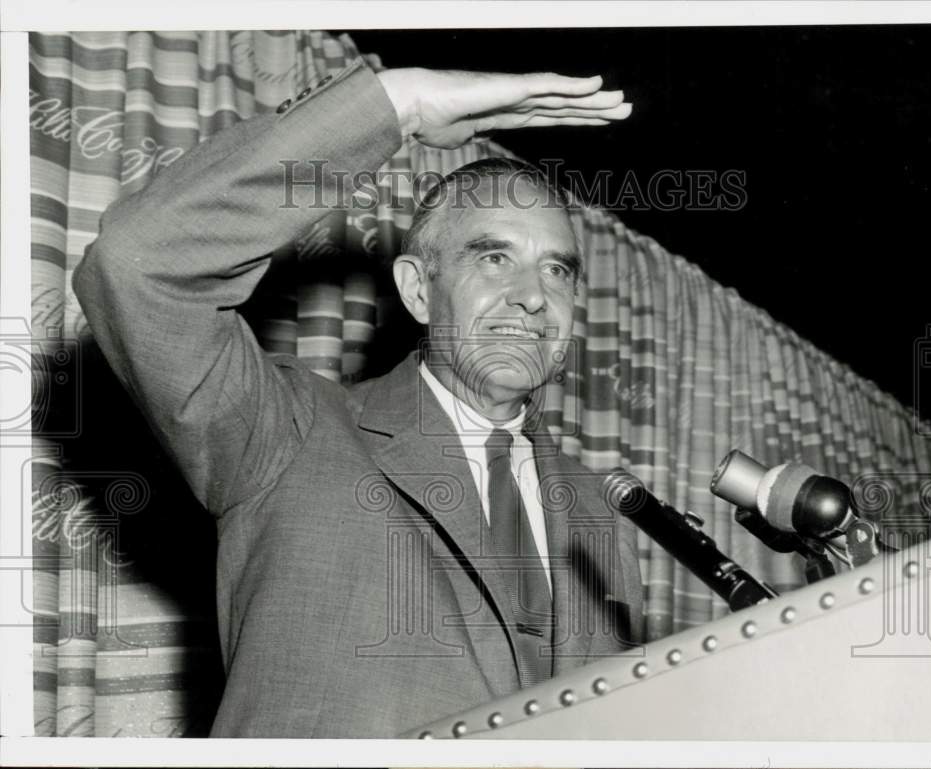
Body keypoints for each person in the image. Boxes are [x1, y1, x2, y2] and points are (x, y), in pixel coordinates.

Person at [73, 59, 643, 738]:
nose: (533, 294)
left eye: (557, 269)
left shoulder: (604, 514)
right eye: (493, 257)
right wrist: (396, 106)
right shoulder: (290, 434)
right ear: (418, 290)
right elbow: (140, 263)